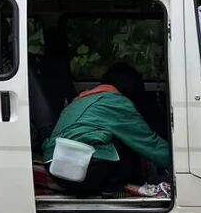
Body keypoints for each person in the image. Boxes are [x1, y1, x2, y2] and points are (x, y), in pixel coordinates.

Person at [43, 61, 172, 196]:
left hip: (55, 168)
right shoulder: (117, 101)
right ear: (131, 90)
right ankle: (116, 186)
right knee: (128, 145)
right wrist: (180, 161)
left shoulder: (79, 100)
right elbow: (148, 143)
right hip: (86, 168)